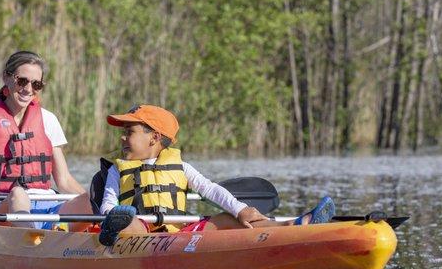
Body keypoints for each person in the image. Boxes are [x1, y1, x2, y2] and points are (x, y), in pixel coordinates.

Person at [98, 104, 335, 246]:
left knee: (233, 219)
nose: (123, 138)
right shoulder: (116, 170)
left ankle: (294, 225)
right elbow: (107, 203)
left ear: (154, 137)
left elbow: (210, 190)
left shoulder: (181, 167)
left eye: (129, 132)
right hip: (141, 234)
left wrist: (240, 209)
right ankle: (114, 228)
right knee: (126, 219)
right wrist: (111, 215)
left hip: (177, 236)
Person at [0, 51, 91, 230]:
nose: (28, 89)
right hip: (2, 206)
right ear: (6, 77)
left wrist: (93, 202)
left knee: (93, 196)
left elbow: (64, 180)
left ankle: (60, 231)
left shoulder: (48, 119)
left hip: (47, 206)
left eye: (36, 84)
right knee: (18, 193)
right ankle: (33, 234)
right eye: (22, 81)